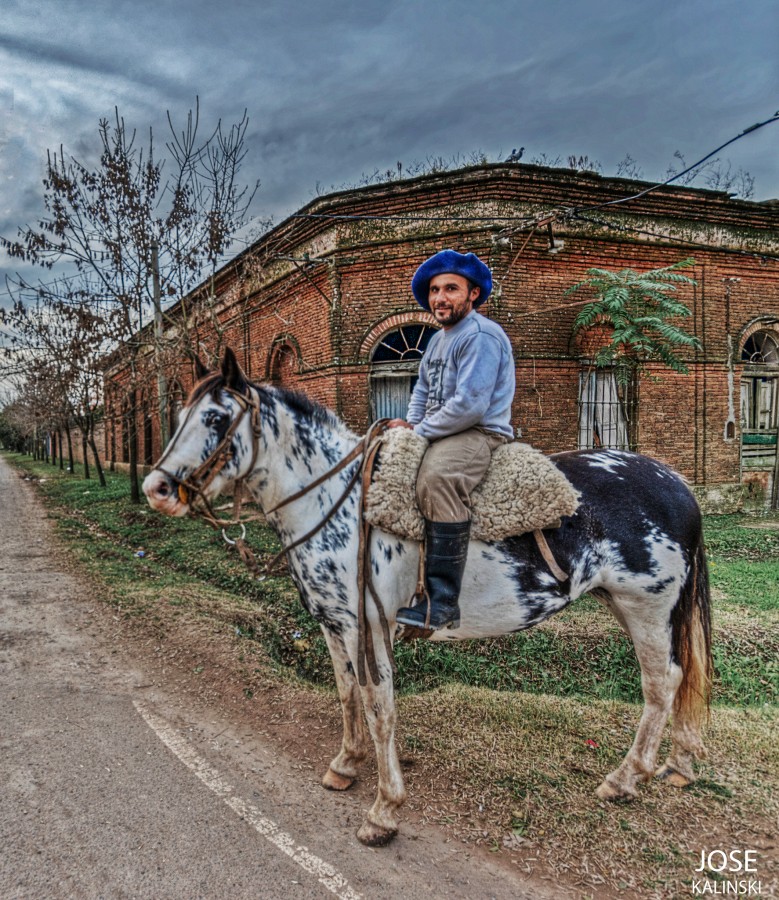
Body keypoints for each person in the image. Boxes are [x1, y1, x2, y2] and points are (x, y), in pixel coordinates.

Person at [389, 249, 515, 630]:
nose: (440, 298)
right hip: (443, 427)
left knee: (437, 478)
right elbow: (422, 391)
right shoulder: (437, 341)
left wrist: (421, 432)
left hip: (478, 432)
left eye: (450, 289)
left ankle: (442, 602)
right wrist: (410, 428)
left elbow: (470, 405)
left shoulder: (480, 335)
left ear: (472, 294)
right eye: (434, 290)